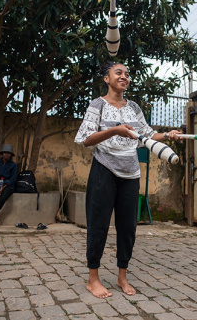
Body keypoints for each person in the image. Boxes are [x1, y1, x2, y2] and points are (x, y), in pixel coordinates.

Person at [75, 61, 181, 299]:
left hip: (131, 174)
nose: (125, 76)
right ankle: (93, 278)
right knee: (98, 224)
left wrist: (168, 135)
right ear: (106, 78)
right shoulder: (97, 105)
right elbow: (86, 139)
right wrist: (115, 130)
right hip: (104, 169)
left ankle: (122, 276)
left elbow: (148, 135)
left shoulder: (133, 107)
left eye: (127, 73)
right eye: (118, 72)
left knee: (127, 228)